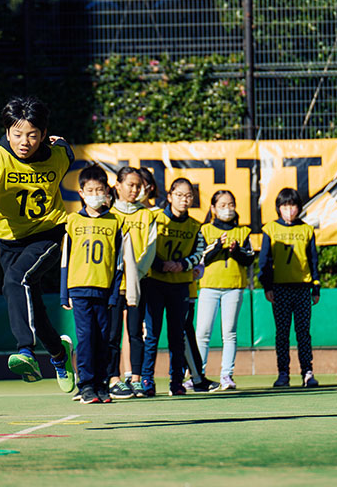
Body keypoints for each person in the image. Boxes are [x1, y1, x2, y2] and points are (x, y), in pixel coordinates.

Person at [0, 96, 76, 393]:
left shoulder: (56, 156)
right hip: (9, 240)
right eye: (18, 134)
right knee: (29, 300)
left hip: (46, 234)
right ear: (7, 133)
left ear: (43, 133)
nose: (25, 141)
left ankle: (25, 351)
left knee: (16, 279)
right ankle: (60, 355)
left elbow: (66, 152)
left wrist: (61, 144)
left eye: (33, 135)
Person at [61, 164, 134, 404]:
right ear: (81, 193)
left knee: (104, 338)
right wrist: (64, 293)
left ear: (107, 191)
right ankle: (86, 385)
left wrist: (115, 293)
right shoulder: (72, 222)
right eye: (90, 190)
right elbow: (65, 258)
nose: (95, 195)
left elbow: (119, 263)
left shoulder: (115, 222)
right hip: (79, 288)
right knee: (86, 337)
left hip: (104, 290)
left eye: (99, 190)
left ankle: (103, 384)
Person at [140, 177, 206, 397]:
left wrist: (181, 265)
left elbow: (199, 253)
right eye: (179, 195)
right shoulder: (154, 218)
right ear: (169, 196)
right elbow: (145, 245)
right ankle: (147, 379)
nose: (184, 200)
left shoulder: (196, 226)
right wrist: (161, 265)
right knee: (152, 334)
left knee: (177, 336)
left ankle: (176, 381)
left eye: (188, 196)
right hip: (155, 284)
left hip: (180, 286)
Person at [258, 188, 321, 388]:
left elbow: (313, 260)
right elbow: (265, 261)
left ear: (299, 208)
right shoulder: (270, 229)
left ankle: (307, 372)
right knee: (282, 333)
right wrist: (267, 286)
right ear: (278, 208)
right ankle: (283, 373)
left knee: (303, 332)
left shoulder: (307, 230)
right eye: (285, 206)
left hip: (302, 288)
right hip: (280, 289)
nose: (289, 210)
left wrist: (316, 286)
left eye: (293, 206)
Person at [196, 190, 255, 390]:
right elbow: (200, 258)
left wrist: (236, 251)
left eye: (230, 204)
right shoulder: (204, 230)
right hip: (209, 286)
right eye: (222, 205)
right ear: (213, 208)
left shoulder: (243, 232)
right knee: (202, 332)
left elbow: (249, 259)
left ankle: (226, 375)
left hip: (234, 287)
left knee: (229, 333)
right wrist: (216, 247)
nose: (227, 209)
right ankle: (197, 374)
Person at [107, 166, 157, 399]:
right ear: (118, 186)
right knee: (113, 332)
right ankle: (114, 378)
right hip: (114, 284)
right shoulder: (109, 215)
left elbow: (150, 248)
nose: (135, 190)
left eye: (139, 186)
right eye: (130, 185)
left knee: (136, 332)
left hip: (138, 283)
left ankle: (136, 379)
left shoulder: (147, 215)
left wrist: (136, 272)